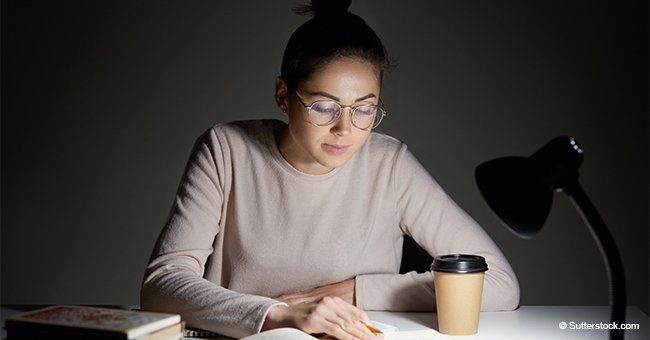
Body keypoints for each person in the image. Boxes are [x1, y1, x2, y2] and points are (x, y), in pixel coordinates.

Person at [140, 1, 520, 339]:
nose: (345, 129)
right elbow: (161, 285)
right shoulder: (227, 150)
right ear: (283, 96)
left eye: (365, 109)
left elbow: (500, 285)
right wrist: (280, 315)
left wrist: (354, 291)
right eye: (324, 106)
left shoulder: (388, 164)